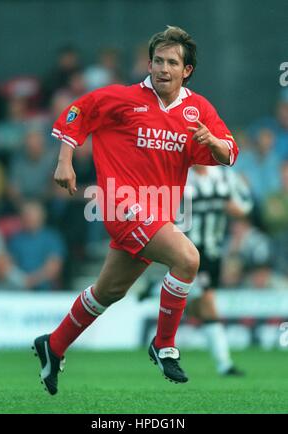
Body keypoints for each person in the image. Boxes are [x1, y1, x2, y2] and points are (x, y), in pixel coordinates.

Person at [33, 26, 239, 395]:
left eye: (171, 62)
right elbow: (76, 111)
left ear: (186, 70)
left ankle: (54, 344)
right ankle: (164, 344)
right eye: (157, 60)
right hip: (118, 204)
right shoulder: (124, 98)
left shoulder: (199, 109)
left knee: (107, 292)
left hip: (157, 214)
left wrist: (214, 143)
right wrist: (64, 160)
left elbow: (229, 152)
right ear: (149, 63)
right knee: (188, 259)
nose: (163, 68)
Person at [183, 165, 252, 375]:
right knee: (208, 302)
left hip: (214, 250)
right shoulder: (180, 175)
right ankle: (225, 364)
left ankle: (157, 289)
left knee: (194, 307)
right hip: (187, 249)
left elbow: (246, 202)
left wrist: (238, 209)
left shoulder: (224, 175)